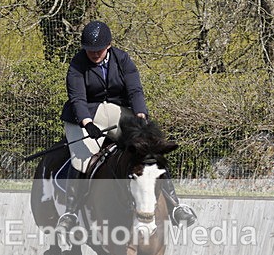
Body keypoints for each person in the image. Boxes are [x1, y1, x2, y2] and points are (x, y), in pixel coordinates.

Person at [56, 20, 197, 232]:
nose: (94, 54)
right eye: (90, 50)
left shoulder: (123, 59)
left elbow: (135, 91)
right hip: (85, 115)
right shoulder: (77, 64)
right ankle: (70, 212)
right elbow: (77, 99)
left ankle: (176, 206)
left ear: (109, 45)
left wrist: (141, 115)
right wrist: (88, 124)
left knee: (148, 148)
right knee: (82, 161)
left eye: (98, 50)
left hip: (117, 110)